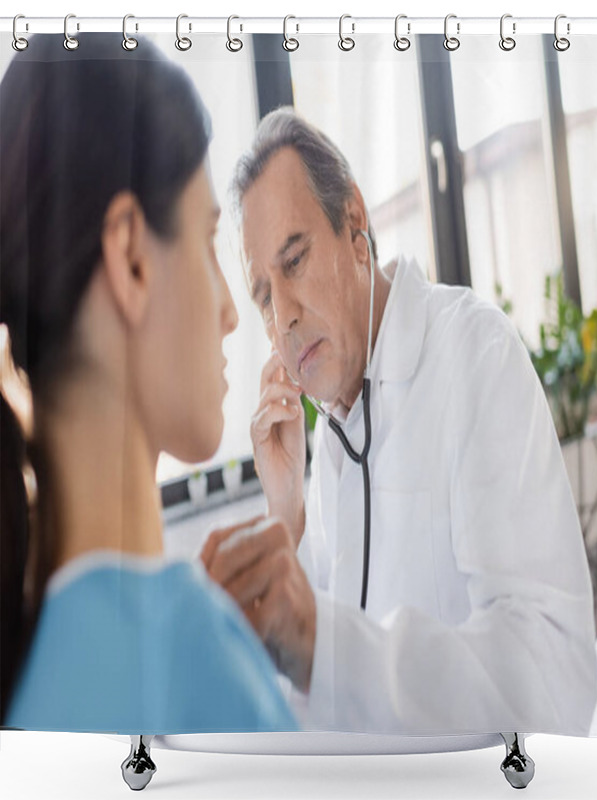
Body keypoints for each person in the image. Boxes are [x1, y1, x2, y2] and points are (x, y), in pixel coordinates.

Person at [201, 107, 597, 736]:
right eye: (262, 295)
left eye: (296, 259)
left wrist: (318, 637)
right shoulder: (334, 435)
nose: (284, 317)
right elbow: (332, 695)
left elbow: (555, 677)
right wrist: (288, 521)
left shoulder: (475, 355)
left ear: (354, 223)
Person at [0, 34, 295, 734]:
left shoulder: (30, 669)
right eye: (205, 239)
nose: (231, 310)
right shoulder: (188, 651)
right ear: (131, 256)